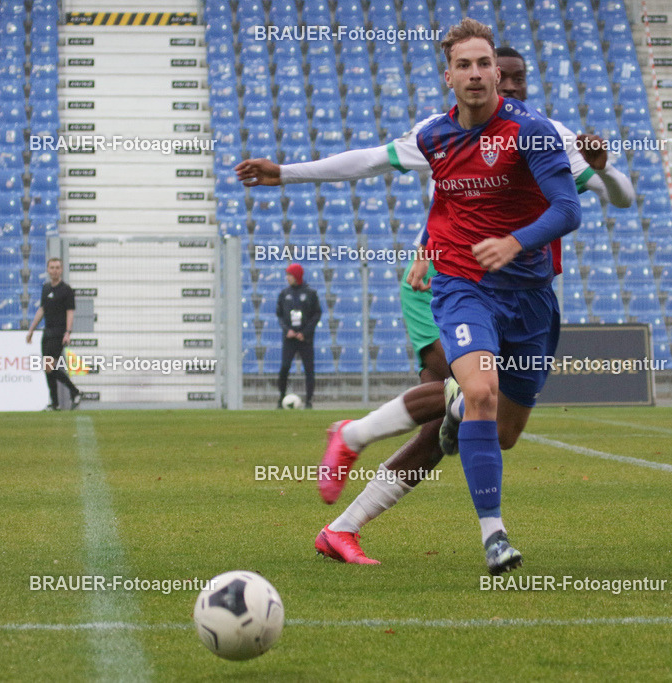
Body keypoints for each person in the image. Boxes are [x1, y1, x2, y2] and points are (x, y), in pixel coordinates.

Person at [235, 43, 634, 566]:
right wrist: (285, 172)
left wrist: (600, 173)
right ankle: (491, 534)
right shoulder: (436, 134)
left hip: (529, 296)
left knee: (494, 428)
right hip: (458, 282)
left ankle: (353, 468)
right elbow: (372, 162)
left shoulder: (544, 133)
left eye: (502, 73)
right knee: (476, 392)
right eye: (470, 67)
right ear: (449, 76)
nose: (496, 82)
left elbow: (616, 196)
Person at [26, 257, 83, 410]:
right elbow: (42, 309)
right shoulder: (45, 288)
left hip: (59, 333)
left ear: (61, 269)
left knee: (49, 366)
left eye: (57, 267)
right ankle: (55, 403)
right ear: (48, 269)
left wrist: (68, 332)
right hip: (47, 332)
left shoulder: (66, 290)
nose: (54, 270)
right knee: (47, 368)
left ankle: (75, 392)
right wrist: (31, 330)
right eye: (52, 267)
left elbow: (70, 312)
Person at [276, 262, 322, 409]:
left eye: (290, 275)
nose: (287, 278)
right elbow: (280, 316)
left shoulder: (310, 293)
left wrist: (305, 332)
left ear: (297, 276)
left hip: (305, 339)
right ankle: (281, 398)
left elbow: (317, 314)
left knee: (309, 369)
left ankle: (309, 401)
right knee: (284, 367)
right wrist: (287, 330)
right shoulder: (284, 294)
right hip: (289, 338)